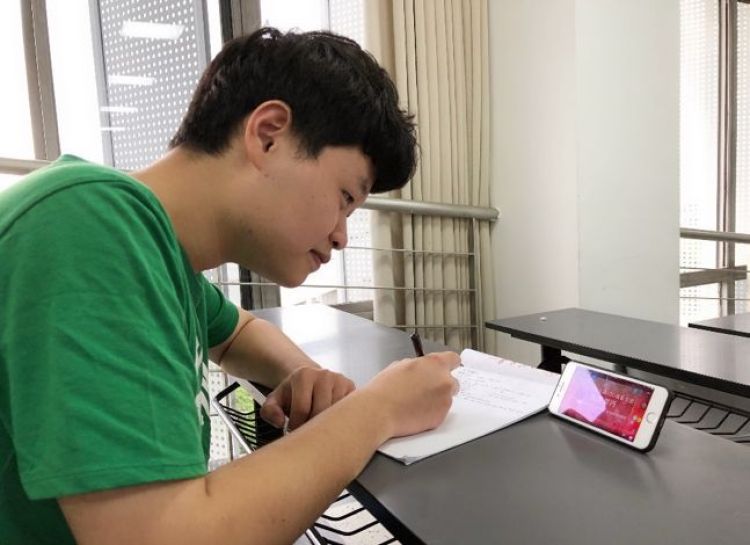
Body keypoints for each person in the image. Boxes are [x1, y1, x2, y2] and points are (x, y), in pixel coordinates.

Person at [0, 27, 460, 545]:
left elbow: (237, 331)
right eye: (345, 198)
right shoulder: (86, 227)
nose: (341, 235)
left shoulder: (155, 252)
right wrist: (378, 409)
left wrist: (302, 372)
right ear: (268, 135)